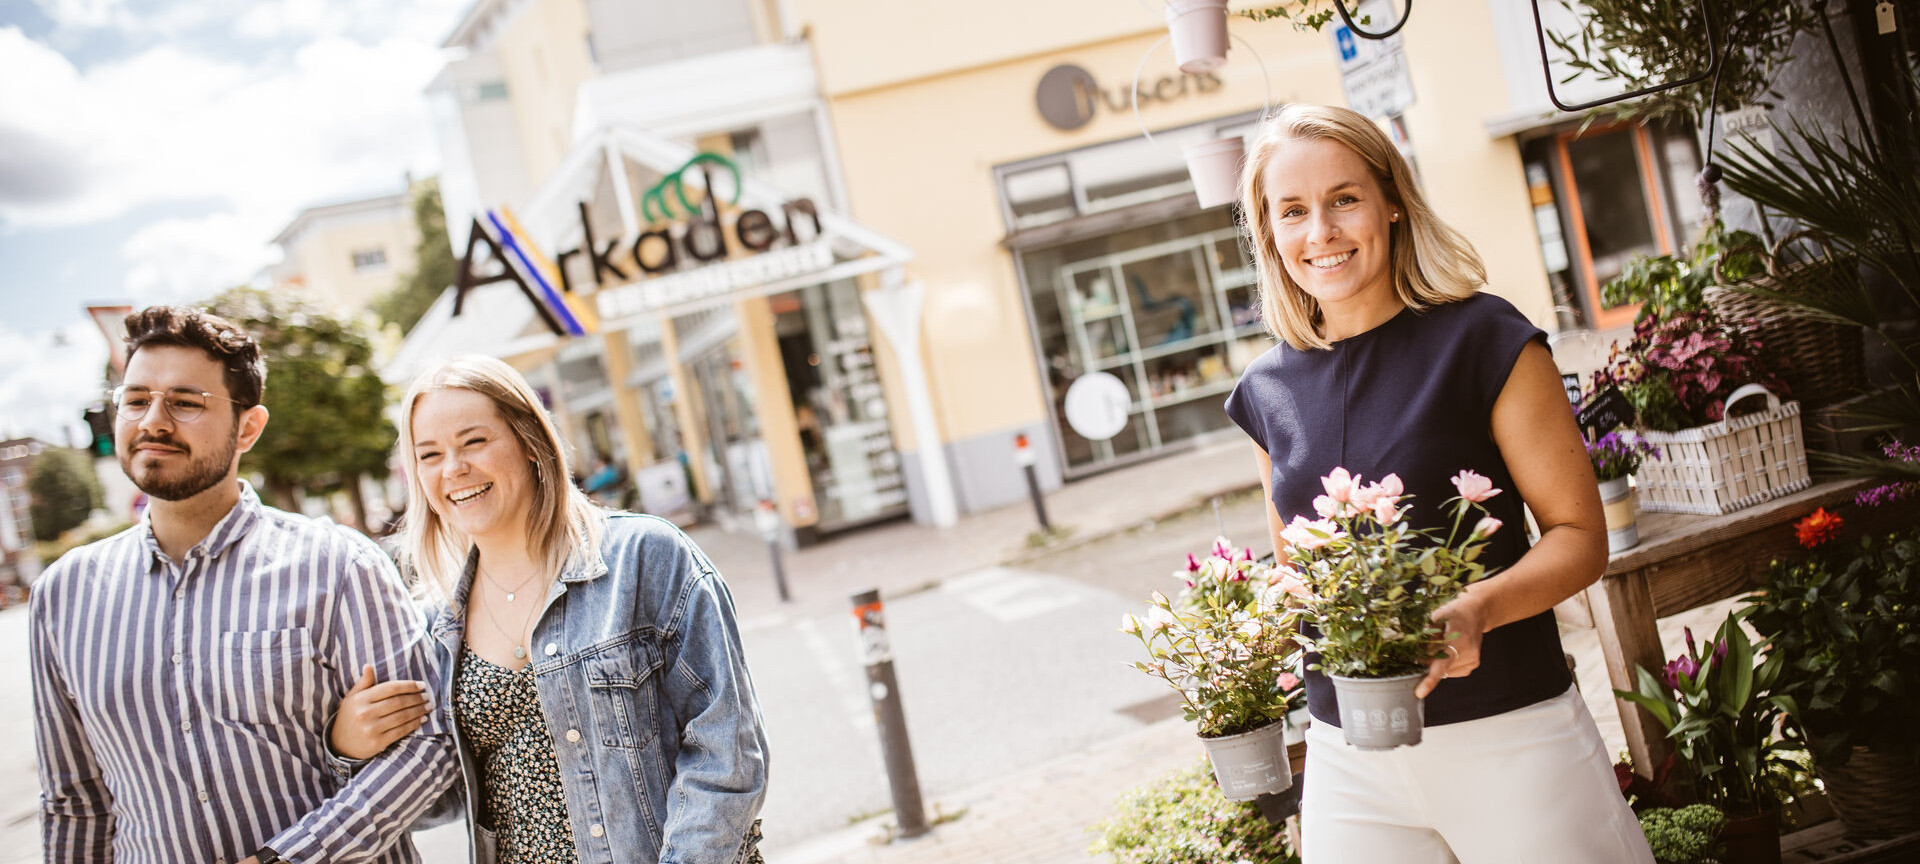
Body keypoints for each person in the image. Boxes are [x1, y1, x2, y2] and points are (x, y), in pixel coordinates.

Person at [1223, 105, 1654, 862]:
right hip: (1347, 758)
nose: (1319, 230)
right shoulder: (1267, 390)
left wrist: (1478, 609)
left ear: (1392, 201)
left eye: (1344, 199)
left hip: (1511, 737)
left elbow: (1581, 538)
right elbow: (1298, 576)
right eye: (1292, 211)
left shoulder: (1485, 340)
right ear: (1269, 232)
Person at [28, 306, 457, 863]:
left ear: (248, 428)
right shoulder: (63, 594)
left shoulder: (337, 565)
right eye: (135, 400)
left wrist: (287, 858)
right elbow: (75, 803)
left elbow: (427, 747)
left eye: (184, 403)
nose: (153, 421)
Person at [328, 354, 768, 863]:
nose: (454, 469)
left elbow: (728, 749)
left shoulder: (644, 557)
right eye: (429, 455)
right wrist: (351, 749)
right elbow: (443, 800)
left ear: (529, 442)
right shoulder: (435, 628)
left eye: (474, 441)